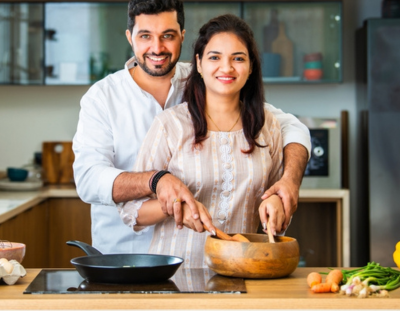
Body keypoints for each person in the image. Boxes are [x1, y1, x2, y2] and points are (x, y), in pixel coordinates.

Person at [73, 0, 310, 254]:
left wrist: (288, 183)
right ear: (130, 38)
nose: (157, 47)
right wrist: (156, 181)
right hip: (121, 251)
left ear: (182, 37)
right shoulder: (103, 97)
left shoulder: (208, 76)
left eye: (168, 36)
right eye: (145, 36)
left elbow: (290, 127)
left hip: (203, 255)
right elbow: (89, 179)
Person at [117, 14, 285, 267]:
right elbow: (131, 211)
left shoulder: (267, 125)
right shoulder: (170, 124)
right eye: (215, 57)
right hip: (175, 275)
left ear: (251, 67)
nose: (226, 68)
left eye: (238, 58)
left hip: (243, 272)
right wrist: (174, 208)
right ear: (198, 63)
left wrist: (277, 202)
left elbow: (279, 197)